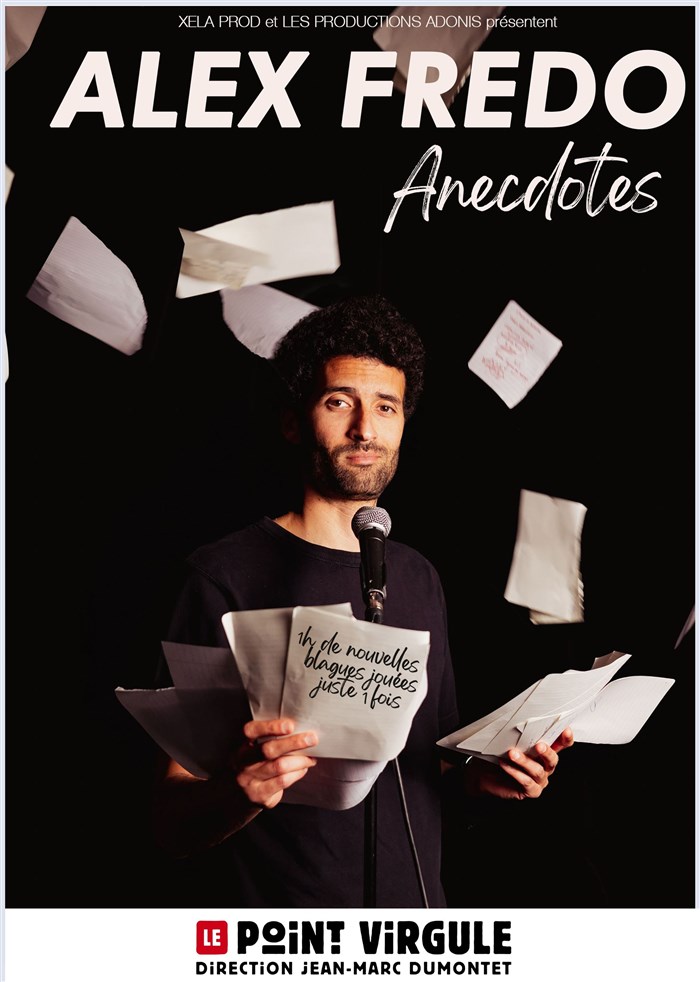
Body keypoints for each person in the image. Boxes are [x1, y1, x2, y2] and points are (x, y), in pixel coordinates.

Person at [153, 294, 573, 907]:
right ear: (293, 421)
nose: (365, 430)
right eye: (338, 402)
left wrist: (483, 776)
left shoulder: (419, 576)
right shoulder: (222, 576)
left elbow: (427, 767)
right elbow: (169, 820)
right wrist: (239, 791)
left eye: (385, 407)